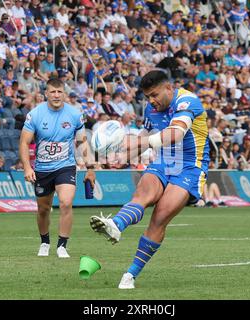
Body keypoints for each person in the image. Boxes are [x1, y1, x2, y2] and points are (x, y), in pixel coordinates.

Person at [89, 70, 210, 289]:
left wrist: (131, 144)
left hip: (191, 168)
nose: (151, 101)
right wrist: (122, 157)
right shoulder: (151, 109)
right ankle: (115, 225)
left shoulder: (187, 101)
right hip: (163, 161)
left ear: (169, 89)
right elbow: (144, 139)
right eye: (147, 97)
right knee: (143, 194)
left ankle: (130, 274)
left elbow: (175, 134)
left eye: (154, 95)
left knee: (160, 217)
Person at [19, 78, 96, 259]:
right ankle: (45, 242)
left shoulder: (75, 114)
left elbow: (82, 142)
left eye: (59, 91)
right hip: (43, 169)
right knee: (43, 209)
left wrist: (90, 168)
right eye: (52, 92)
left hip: (66, 166)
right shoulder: (35, 114)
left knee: (66, 202)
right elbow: (24, 142)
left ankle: (62, 245)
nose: (56, 95)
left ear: (64, 94)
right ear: (46, 93)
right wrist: (27, 168)